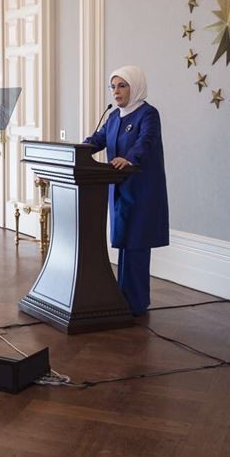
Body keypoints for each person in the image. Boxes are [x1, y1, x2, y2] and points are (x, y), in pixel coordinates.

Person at [84, 65, 169, 316]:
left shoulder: (148, 114)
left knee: (137, 244)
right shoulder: (113, 117)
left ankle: (136, 303)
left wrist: (129, 158)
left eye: (122, 86)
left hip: (141, 189)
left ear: (136, 86)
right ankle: (122, 298)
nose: (116, 92)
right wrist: (78, 150)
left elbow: (146, 142)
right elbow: (98, 140)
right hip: (119, 188)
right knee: (123, 242)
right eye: (113, 87)